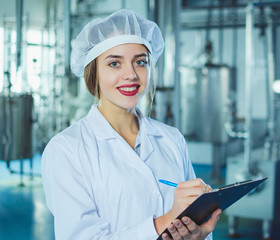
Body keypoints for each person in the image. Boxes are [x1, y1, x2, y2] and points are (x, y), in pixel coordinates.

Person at [41, 9, 221, 240]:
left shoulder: (172, 138)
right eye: (114, 63)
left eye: (140, 62)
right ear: (93, 73)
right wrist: (166, 221)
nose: (131, 74)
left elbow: (192, 223)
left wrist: (199, 234)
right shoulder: (66, 149)